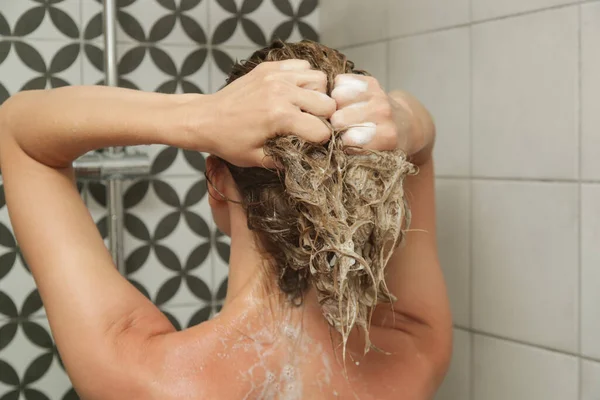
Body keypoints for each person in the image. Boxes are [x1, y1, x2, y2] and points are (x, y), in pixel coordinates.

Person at [0, 41, 451, 399]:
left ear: (216, 180)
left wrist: (200, 116)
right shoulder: (413, 354)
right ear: (363, 183)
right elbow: (421, 152)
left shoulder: (142, 377)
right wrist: (405, 121)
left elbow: (16, 131)